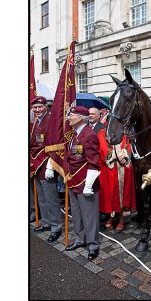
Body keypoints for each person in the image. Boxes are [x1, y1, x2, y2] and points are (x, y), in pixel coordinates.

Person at [64, 106, 101, 261]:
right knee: (77, 213)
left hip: (86, 182)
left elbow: (94, 162)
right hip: (73, 180)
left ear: (80, 118)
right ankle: (80, 239)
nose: (68, 118)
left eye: (71, 115)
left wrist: (88, 185)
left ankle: (93, 245)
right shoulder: (74, 134)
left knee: (89, 215)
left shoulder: (89, 135)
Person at [30, 96, 62, 243]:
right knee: (42, 198)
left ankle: (56, 227)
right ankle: (47, 223)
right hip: (35, 164)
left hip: (46, 163)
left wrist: (51, 165)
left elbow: (55, 144)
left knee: (51, 198)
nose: (37, 110)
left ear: (46, 107)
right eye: (35, 107)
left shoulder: (50, 121)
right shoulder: (36, 121)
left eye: (39, 107)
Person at [98, 132, 136, 231]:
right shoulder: (104, 131)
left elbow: (129, 145)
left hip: (124, 167)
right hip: (112, 167)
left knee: (125, 194)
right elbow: (103, 147)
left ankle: (122, 219)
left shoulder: (125, 131)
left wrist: (125, 156)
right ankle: (112, 216)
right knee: (112, 193)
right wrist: (114, 156)